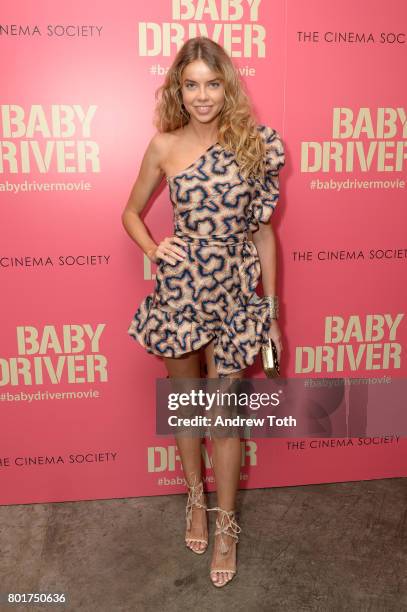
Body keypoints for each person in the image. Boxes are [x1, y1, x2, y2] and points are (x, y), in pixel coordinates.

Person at [122, 36, 285, 588]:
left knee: (225, 415)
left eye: (212, 83)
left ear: (227, 86)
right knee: (186, 405)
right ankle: (195, 496)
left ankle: (227, 524)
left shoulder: (255, 145)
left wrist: (271, 311)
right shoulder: (163, 146)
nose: (202, 95)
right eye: (191, 84)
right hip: (183, 290)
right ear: (179, 89)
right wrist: (152, 248)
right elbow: (130, 211)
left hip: (237, 293)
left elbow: (263, 235)